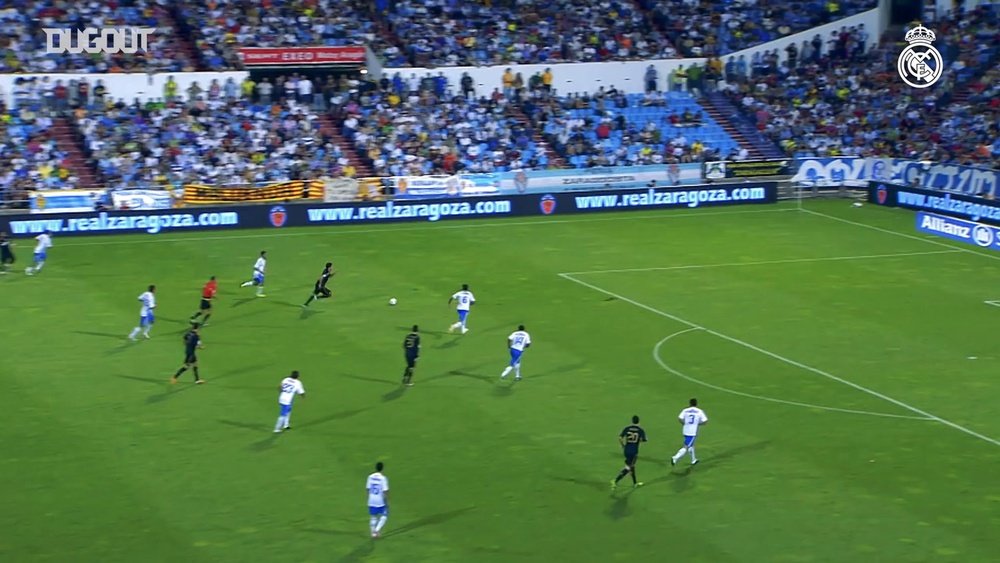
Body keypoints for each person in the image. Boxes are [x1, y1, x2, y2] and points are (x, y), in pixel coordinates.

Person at [611, 415, 647, 490]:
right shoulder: (640, 430)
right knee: (628, 468)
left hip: (626, 450)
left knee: (632, 466)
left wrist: (623, 445)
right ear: (638, 421)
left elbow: (620, 438)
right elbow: (644, 440)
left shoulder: (627, 428)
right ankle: (615, 480)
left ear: (632, 421)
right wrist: (637, 442)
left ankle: (635, 483)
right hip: (634, 452)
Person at [671, 398, 708, 466]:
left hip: (685, 430)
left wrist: (684, 423)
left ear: (690, 404)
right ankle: (675, 457)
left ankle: (693, 460)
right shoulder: (699, 411)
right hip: (692, 432)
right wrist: (699, 424)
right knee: (686, 446)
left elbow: (680, 418)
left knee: (691, 445)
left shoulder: (685, 410)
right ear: (696, 404)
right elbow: (705, 421)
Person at [366, 462, 390, 538]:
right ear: (382, 468)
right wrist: (387, 500)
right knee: (385, 515)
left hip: (371, 500)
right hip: (380, 500)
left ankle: (373, 533)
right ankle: (376, 530)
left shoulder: (370, 477)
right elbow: (385, 491)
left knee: (373, 516)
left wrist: (369, 498)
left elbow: (367, 489)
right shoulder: (383, 478)